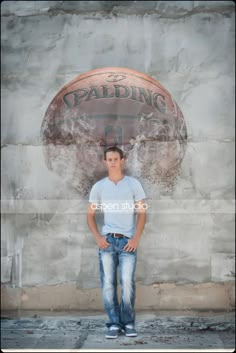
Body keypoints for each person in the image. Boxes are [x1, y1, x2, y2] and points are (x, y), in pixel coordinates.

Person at [87, 146, 147, 339]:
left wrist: (136, 238)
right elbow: (90, 216)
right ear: (105, 162)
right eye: (109, 159)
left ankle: (128, 323)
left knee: (127, 283)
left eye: (115, 159)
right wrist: (98, 237)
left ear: (122, 160)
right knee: (108, 284)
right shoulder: (99, 187)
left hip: (128, 242)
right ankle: (113, 323)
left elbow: (142, 213)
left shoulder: (133, 184)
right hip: (108, 242)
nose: (112, 162)